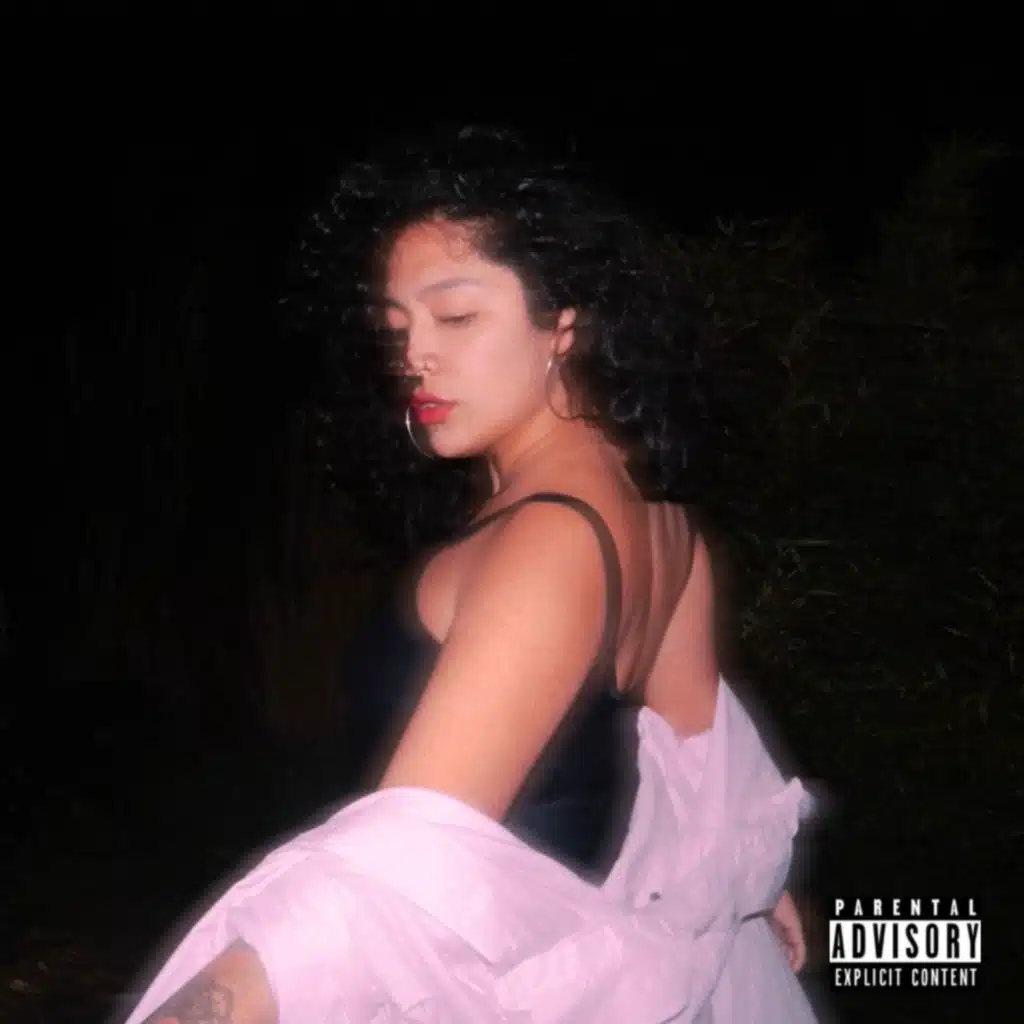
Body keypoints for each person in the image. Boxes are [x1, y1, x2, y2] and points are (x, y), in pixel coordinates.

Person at [125, 126, 814, 1024]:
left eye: (455, 317)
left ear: (563, 324)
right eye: (397, 328)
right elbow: (704, 783)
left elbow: (394, 888)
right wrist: (757, 888)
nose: (415, 354)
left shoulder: (548, 538)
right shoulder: (662, 520)